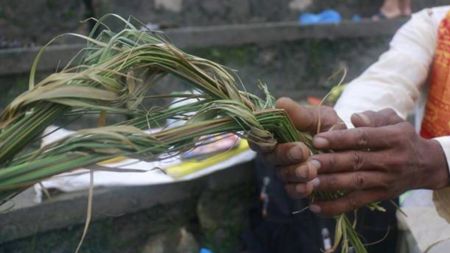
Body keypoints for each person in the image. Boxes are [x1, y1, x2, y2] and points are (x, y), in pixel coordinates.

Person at [263, 5, 450, 221]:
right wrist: (340, 133)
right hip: (429, 220)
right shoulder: (434, 24)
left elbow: (434, 160)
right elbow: (386, 82)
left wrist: (440, 159)